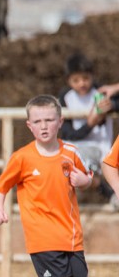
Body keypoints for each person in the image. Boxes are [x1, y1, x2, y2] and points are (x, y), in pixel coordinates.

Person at [0, 94, 94, 277]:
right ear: (29, 125)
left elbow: (88, 177)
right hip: (41, 233)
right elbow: (0, 187)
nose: (44, 125)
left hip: (70, 233)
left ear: (60, 122)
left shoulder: (70, 152)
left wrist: (84, 181)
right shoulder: (22, 158)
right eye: (38, 121)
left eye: (50, 119)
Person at [57, 52, 119, 209]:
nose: (82, 84)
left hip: (100, 147)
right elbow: (67, 133)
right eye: (76, 80)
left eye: (85, 78)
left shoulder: (101, 92)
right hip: (75, 147)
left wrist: (112, 106)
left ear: (92, 76)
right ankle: (108, 192)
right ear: (68, 80)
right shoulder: (65, 97)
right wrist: (90, 124)